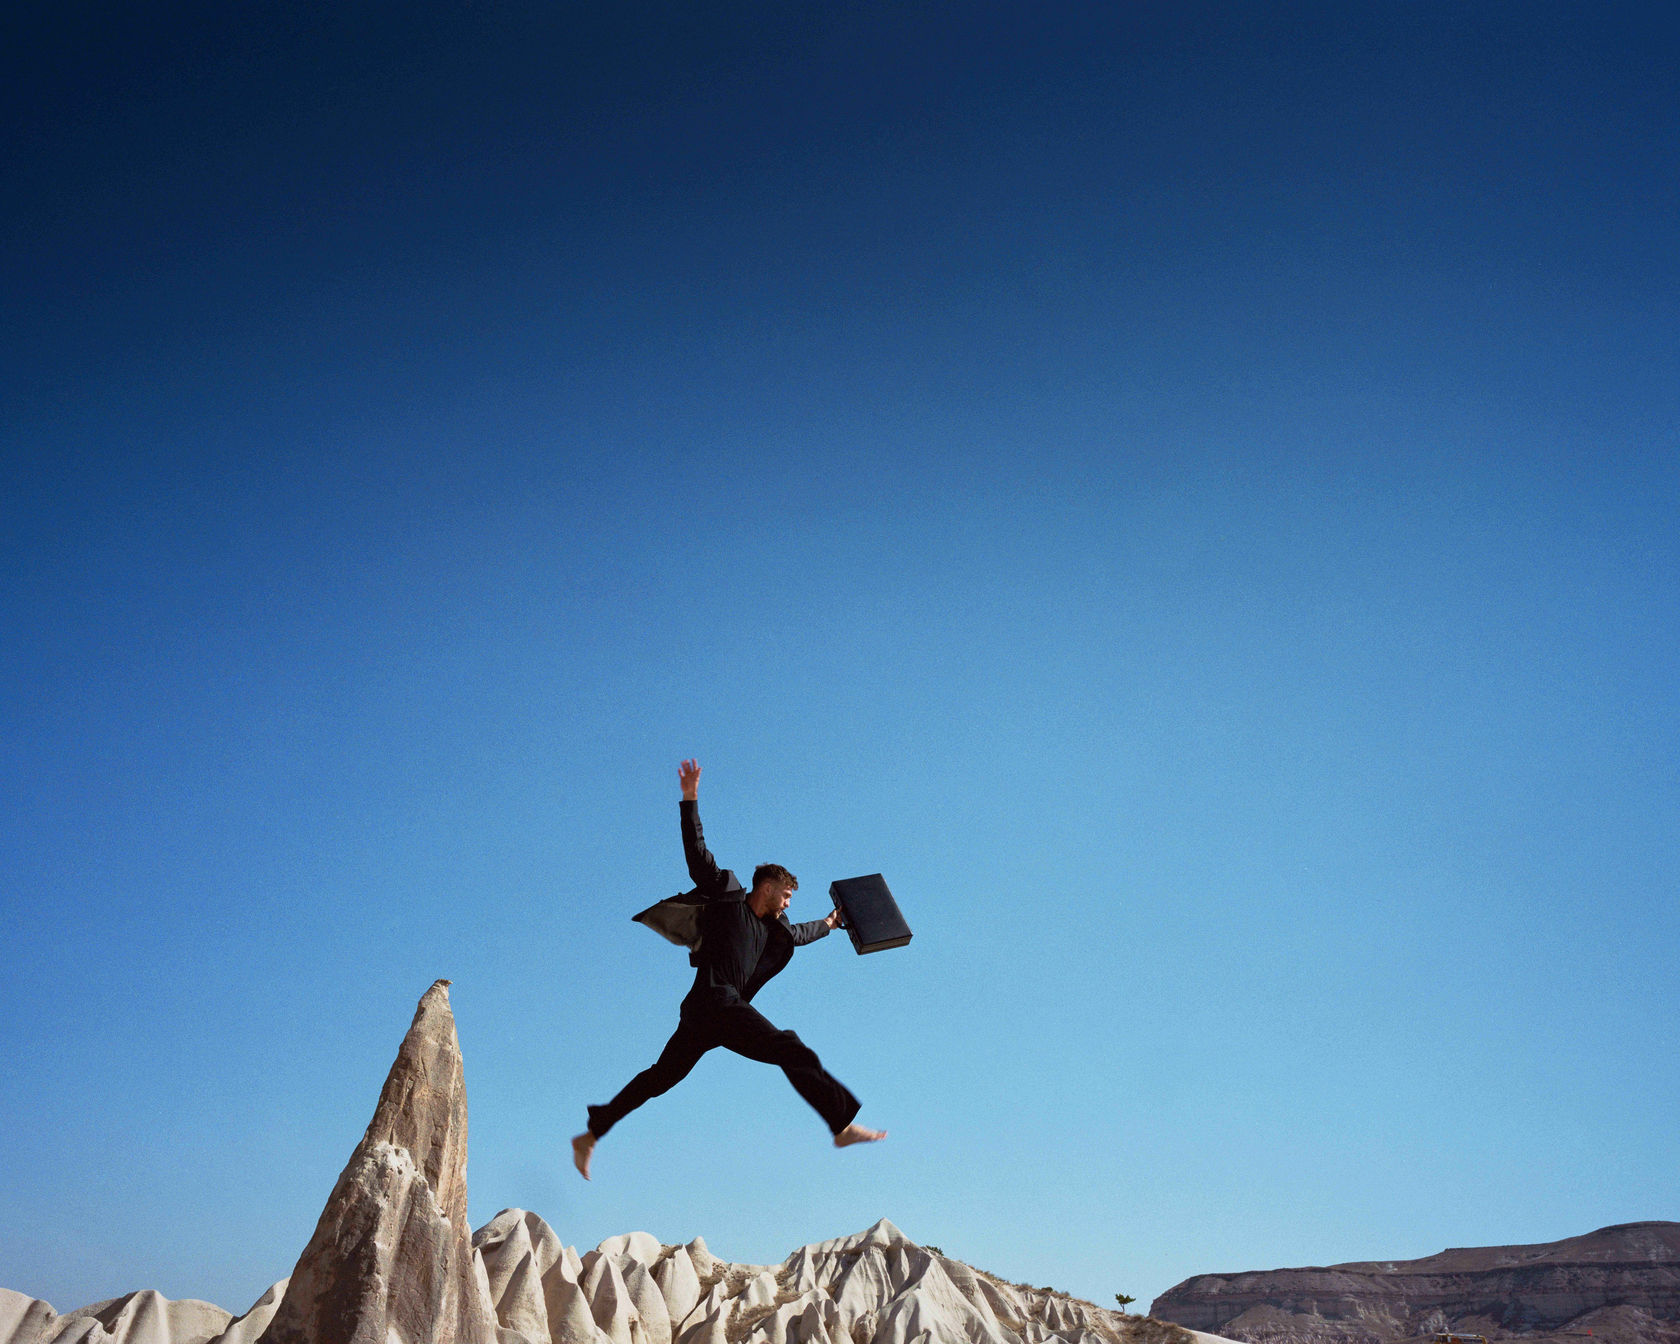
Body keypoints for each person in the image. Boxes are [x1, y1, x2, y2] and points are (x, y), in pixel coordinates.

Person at [572, 759, 885, 1178]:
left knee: (659, 1079)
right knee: (790, 1047)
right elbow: (698, 856)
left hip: (709, 1017)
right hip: (715, 1001)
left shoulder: (775, 931)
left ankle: (591, 1134)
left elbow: (800, 934)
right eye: (787, 895)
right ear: (768, 887)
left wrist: (829, 924)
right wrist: (689, 799)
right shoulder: (728, 899)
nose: (789, 904)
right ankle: (841, 1125)